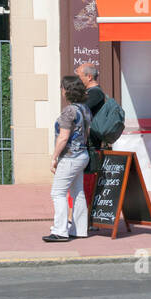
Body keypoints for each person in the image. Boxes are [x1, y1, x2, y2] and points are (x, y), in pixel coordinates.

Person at [44, 75, 92, 242]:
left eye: (62, 88)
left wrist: (54, 157)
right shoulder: (85, 109)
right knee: (78, 192)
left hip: (70, 157)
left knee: (58, 193)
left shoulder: (69, 111)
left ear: (67, 91)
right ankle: (79, 229)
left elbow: (63, 137)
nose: (61, 91)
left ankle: (60, 231)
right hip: (82, 155)